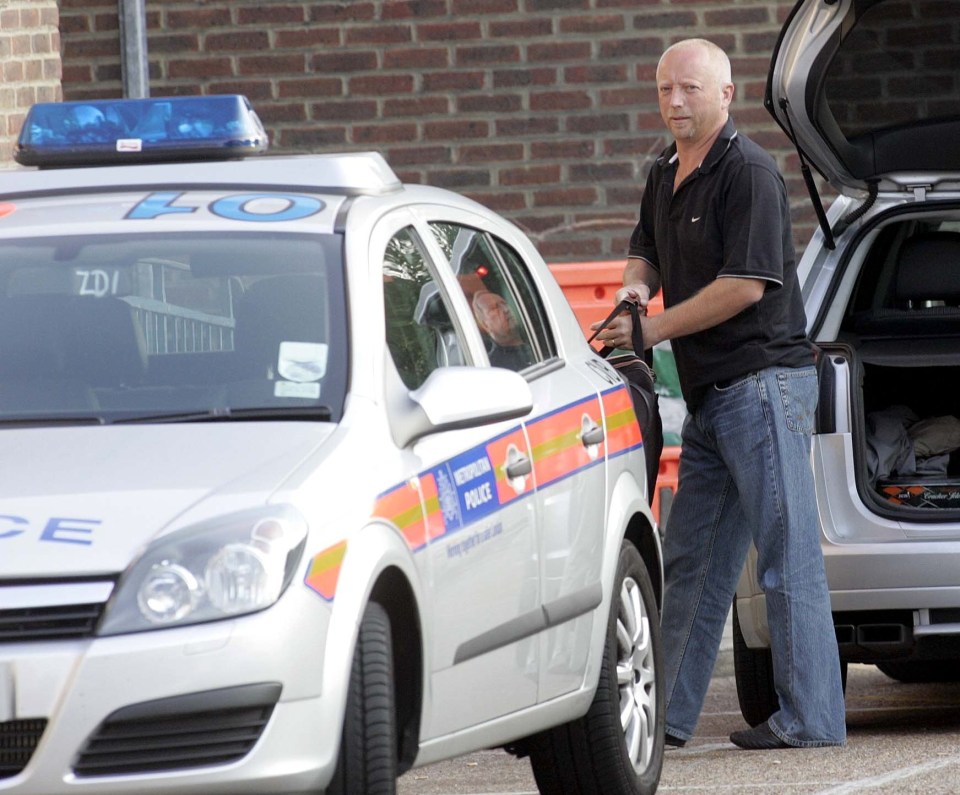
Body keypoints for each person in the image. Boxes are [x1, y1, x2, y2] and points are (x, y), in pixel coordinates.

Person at [593, 38, 846, 750]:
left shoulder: (752, 174)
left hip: (765, 387)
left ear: (725, 95)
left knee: (784, 557)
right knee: (690, 561)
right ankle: (663, 716)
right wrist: (633, 292)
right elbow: (644, 246)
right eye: (665, 89)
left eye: (690, 89)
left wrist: (652, 332)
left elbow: (745, 286)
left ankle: (812, 719)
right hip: (712, 400)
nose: (675, 102)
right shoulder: (662, 171)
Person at [472, 289, 533, 370]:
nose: (506, 309)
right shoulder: (494, 368)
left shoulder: (539, 335)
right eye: (494, 308)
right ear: (485, 325)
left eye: (504, 303)